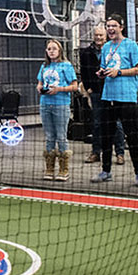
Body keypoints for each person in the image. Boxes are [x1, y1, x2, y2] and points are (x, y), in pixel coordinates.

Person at [90, 14, 138, 185]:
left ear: (121, 27)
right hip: (108, 96)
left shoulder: (131, 45)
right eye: (108, 26)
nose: (110, 29)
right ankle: (106, 171)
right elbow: (104, 66)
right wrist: (101, 72)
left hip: (127, 97)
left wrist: (119, 72)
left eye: (114, 25)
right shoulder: (106, 47)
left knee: (132, 135)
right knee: (106, 135)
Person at [78, 25, 127, 165]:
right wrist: (88, 88)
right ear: (93, 36)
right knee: (97, 123)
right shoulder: (86, 53)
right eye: (97, 35)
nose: (99, 38)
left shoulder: (113, 50)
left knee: (117, 123)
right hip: (96, 92)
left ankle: (120, 153)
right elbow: (84, 71)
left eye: (101, 35)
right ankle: (95, 152)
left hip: (113, 91)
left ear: (105, 36)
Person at [37, 39, 78, 181]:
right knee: (49, 136)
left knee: (61, 136)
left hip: (61, 104)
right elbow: (40, 82)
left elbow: (74, 86)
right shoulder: (44, 66)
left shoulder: (66, 66)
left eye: (54, 48)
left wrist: (60, 89)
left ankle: (63, 169)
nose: (51, 51)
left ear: (60, 50)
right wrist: (39, 87)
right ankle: (49, 169)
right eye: (49, 49)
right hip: (45, 104)